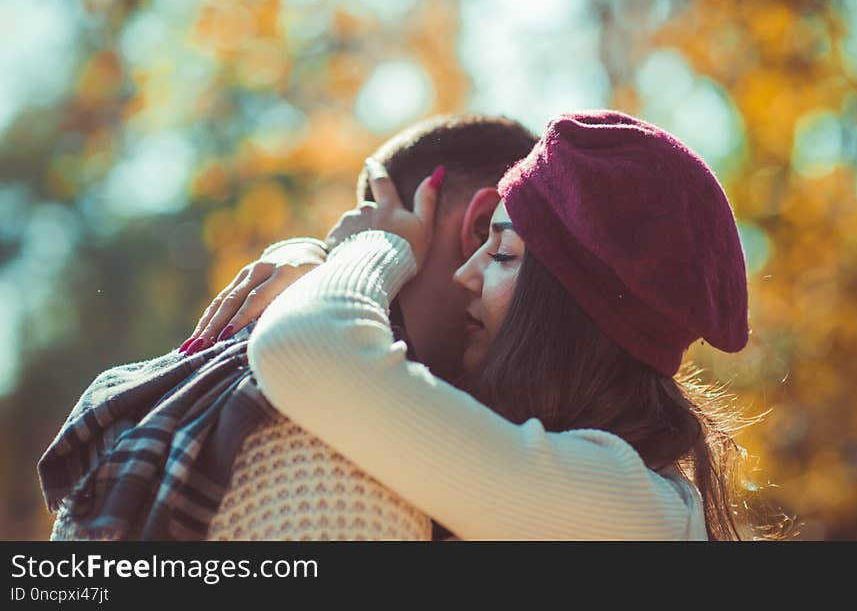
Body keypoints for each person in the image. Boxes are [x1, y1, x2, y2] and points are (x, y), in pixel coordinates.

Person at [244, 110, 757, 540]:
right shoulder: (609, 483)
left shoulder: (628, 509)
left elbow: (302, 349)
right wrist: (306, 252)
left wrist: (373, 247)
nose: (466, 274)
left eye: (504, 254)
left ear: (575, 309)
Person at [39, 114, 537, 540]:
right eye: (508, 253)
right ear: (478, 229)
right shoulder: (353, 465)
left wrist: (321, 253)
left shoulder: (212, 394)